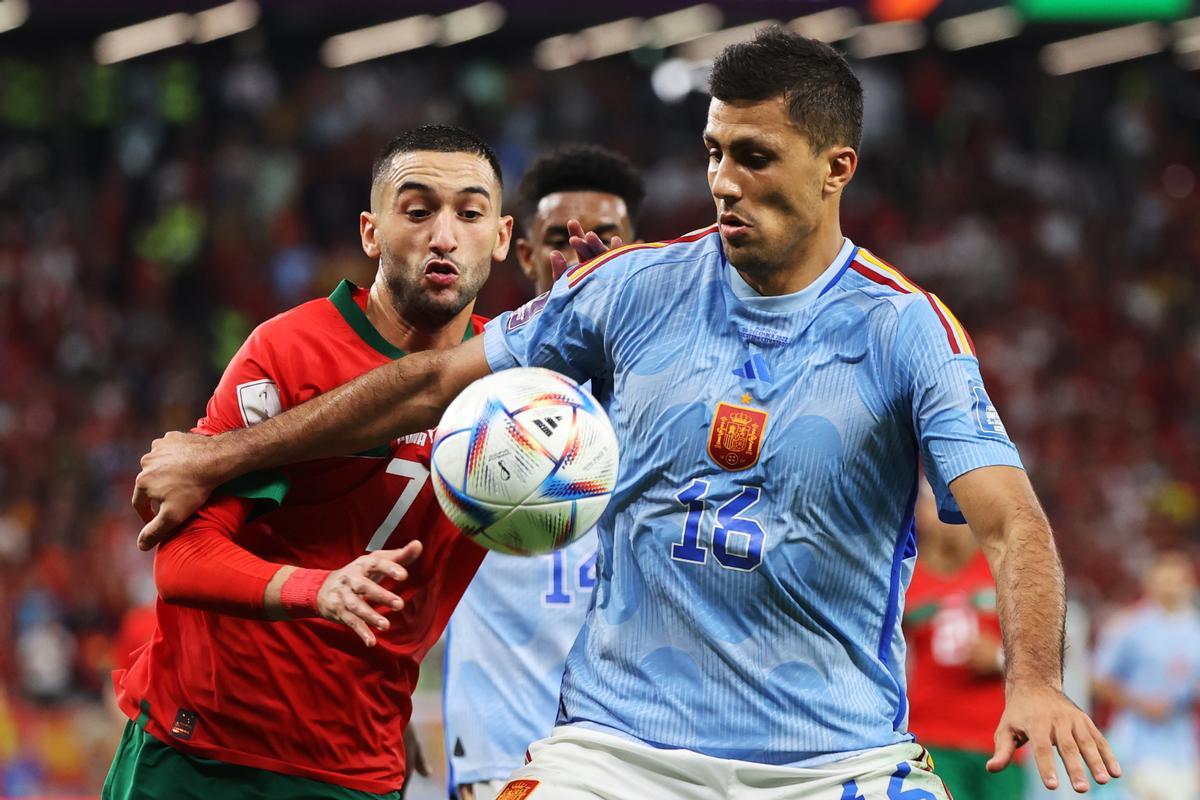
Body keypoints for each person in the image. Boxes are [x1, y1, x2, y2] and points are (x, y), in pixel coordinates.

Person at [132, 28, 1119, 798]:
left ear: (836, 168)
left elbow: (1009, 518)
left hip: (834, 754)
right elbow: (434, 380)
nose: (725, 180)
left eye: (757, 157)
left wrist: (1033, 674)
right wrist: (223, 457)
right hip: (618, 749)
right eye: (714, 151)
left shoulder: (906, 331)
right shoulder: (631, 289)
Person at [105, 124, 513, 799]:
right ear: (370, 232)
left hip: (355, 766)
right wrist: (315, 589)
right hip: (199, 751)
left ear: (500, 237)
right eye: (417, 211)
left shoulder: (518, 396)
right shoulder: (290, 352)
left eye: (469, 213)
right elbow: (182, 559)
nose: (444, 235)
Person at [442, 144, 644, 800]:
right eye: (558, 238)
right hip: (506, 751)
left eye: (606, 238)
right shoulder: (471, 396)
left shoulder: (671, 394)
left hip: (642, 754)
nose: (580, 252)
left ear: (639, 252)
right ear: (524, 254)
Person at [905, 481, 1026, 800]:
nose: (948, 515)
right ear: (920, 512)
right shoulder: (905, 578)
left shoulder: (1005, 569)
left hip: (1001, 738)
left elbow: (1049, 653)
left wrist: (1001, 657)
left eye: (958, 504)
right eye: (937, 503)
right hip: (930, 739)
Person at [1092, 551, 1200, 800]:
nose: (1169, 588)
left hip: (1183, 743)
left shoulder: (1195, 629)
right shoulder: (1128, 627)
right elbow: (1098, 678)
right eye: (1163, 581)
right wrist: (1139, 702)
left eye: (1175, 581)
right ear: (1149, 583)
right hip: (1135, 740)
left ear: (1188, 583)